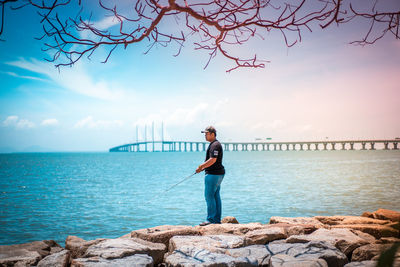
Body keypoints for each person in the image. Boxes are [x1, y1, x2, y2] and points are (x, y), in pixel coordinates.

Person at [196, 126, 225, 226]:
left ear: (212, 134)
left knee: (209, 196)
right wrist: (203, 168)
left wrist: (201, 166)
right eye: (205, 134)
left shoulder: (215, 145)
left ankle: (211, 220)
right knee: (216, 196)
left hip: (213, 174)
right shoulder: (215, 144)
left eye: (206, 134)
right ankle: (216, 220)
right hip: (218, 173)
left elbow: (213, 160)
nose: (205, 135)